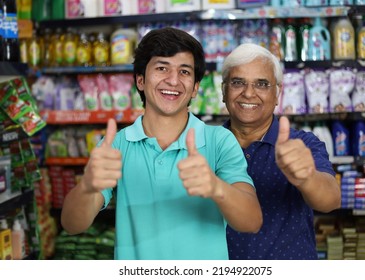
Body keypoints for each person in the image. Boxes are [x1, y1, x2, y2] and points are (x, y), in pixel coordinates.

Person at [61, 28, 262, 260]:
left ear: (195, 87)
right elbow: (72, 225)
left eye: (184, 71)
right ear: (140, 80)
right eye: (161, 68)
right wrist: (87, 186)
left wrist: (216, 187)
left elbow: (252, 221)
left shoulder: (219, 140)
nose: (173, 80)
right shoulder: (116, 145)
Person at [221, 43, 341, 260]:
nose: (249, 93)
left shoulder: (302, 143)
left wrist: (307, 178)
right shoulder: (206, 146)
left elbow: (331, 200)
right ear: (224, 91)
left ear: (277, 94)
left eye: (262, 84)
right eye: (238, 82)